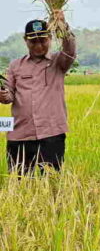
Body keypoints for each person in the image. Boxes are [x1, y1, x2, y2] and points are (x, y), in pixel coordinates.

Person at [0, 17, 76, 175]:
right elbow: (9, 96)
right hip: (20, 134)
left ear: (49, 38)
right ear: (25, 40)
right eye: (33, 42)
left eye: (43, 40)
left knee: (51, 182)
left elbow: (70, 50)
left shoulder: (58, 62)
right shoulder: (16, 65)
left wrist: (62, 26)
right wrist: (3, 94)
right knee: (19, 183)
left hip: (51, 134)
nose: (39, 46)